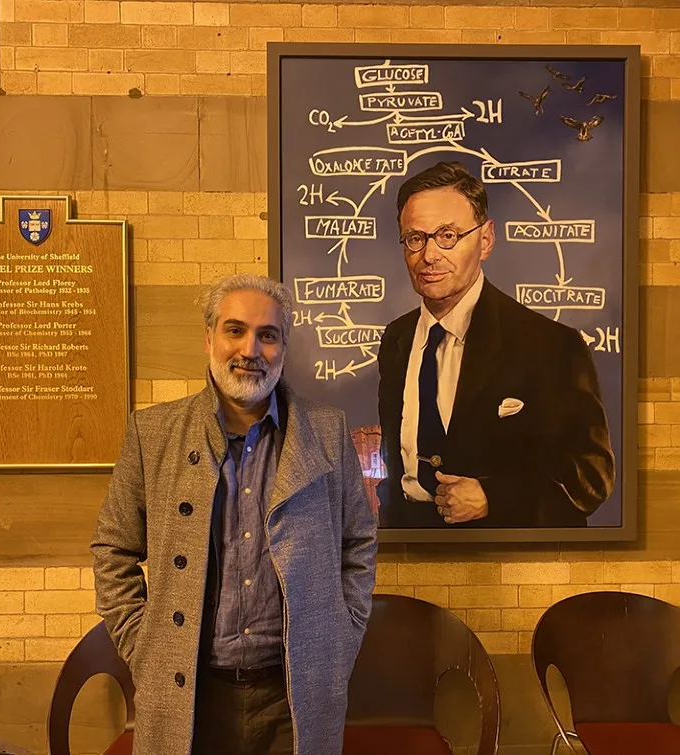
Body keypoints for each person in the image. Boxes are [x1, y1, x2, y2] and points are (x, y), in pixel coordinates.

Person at [92, 274, 377, 755]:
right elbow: (112, 548)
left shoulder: (327, 431)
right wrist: (145, 647)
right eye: (235, 330)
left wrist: (340, 639)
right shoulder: (154, 433)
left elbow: (359, 541)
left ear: (284, 347)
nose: (251, 349)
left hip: (294, 693)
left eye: (268, 335)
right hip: (191, 692)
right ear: (209, 338)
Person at [377, 161, 615, 529]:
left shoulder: (551, 346)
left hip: (508, 560)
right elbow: (396, 465)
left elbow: (592, 475)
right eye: (415, 238)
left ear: (485, 240)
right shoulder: (396, 340)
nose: (429, 255)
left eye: (448, 236)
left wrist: (494, 497)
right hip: (408, 553)